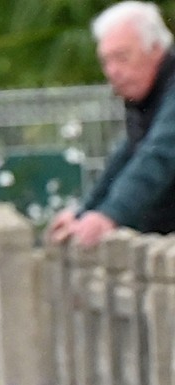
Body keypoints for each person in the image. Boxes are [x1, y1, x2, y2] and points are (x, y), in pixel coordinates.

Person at [52, 1, 175, 246]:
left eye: (122, 57)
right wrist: (85, 212)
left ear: (155, 49)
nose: (112, 71)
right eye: (106, 61)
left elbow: (160, 153)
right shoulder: (147, 97)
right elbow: (129, 154)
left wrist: (110, 215)